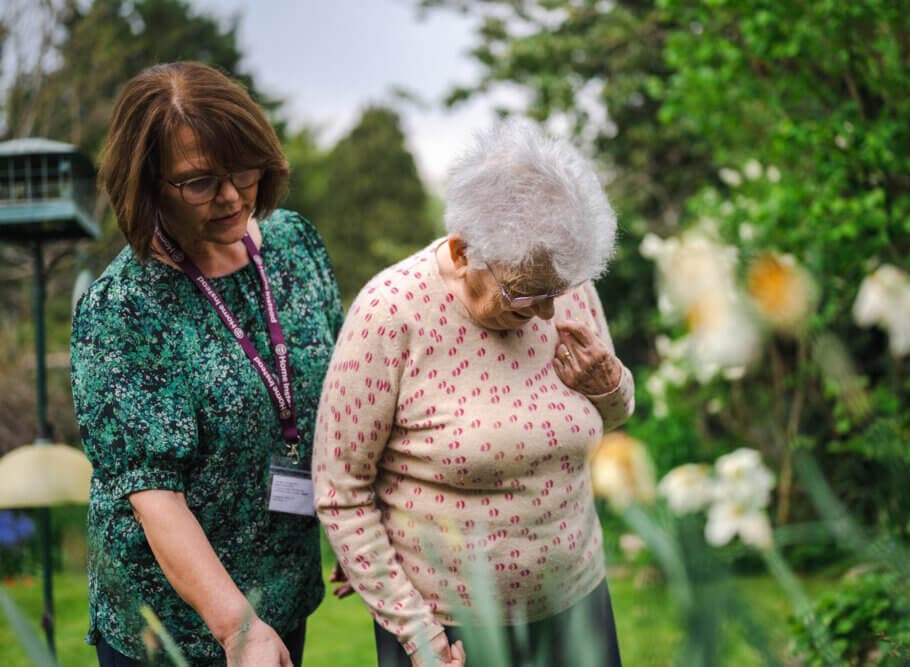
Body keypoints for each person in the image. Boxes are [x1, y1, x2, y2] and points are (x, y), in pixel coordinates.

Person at [313, 119, 634, 666]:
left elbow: (615, 415)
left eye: (557, 292)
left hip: (578, 599)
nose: (549, 313)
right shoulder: (390, 313)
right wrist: (417, 634)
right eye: (525, 294)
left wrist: (610, 388)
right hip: (451, 627)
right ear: (463, 253)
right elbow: (341, 489)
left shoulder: (564, 284)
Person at [71, 61, 343, 666]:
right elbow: (153, 494)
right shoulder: (123, 309)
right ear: (145, 186)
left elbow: (346, 398)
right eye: (197, 181)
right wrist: (236, 626)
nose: (230, 196)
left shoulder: (296, 247)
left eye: (242, 169)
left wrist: (351, 523)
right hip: (169, 625)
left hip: (281, 589)